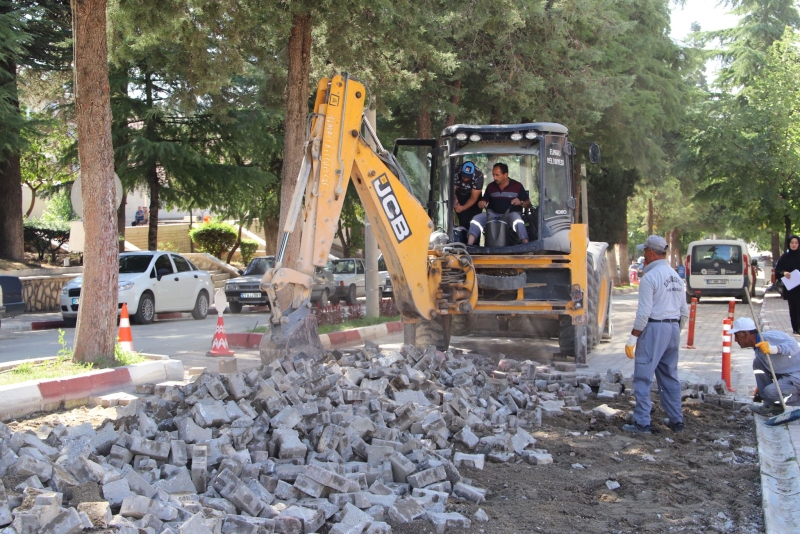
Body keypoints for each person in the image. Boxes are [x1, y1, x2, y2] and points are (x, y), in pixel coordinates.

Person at [623, 235, 690, 434]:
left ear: (651, 253)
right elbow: (684, 311)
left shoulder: (650, 278)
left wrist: (633, 337)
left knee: (643, 378)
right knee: (669, 376)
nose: (643, 255)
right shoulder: (676, 277)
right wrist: (676, 330)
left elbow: (644, 313)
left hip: (654, 329)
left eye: (644, 251)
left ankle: (642, 423)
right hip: (673, 328)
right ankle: (676, 421)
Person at [731, 316, 800, 415]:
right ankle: (769, 404)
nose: (736, 340)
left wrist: (774, 349)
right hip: (788, 375)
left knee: (771, 392)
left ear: (746, 334)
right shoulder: (758, 350)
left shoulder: (769, 337)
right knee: (757, 363)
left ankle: (782, 402)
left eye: (737, 336)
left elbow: (795, 346)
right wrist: (761, 387)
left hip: (797, 374)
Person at [466, 162, 530, 246]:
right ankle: (469, 246)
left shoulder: (517, 186)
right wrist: (481, 203)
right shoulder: (490, 187)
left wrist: (520, 202)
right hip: (492, 215)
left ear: (505, 175)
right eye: (493, 175)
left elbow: (528, 203)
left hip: (510, 215)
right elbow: (484, 201)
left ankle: (526, 245)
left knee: (518, 219)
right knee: (476, 219)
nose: (494, 177)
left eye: (497, 175)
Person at [775, 235, 800, 334]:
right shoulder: (785, 257)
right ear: (789, 244)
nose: (794, 245)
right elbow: (777, 271)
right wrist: (784, 273)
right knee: (793, 307)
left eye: (796, 243)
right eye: (792, 243)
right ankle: (795, 328)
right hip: (791, 287)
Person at [453, 161, 484, 233]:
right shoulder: (455, 172)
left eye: (468, 177)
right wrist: (455, 199)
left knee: (475, 221)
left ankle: (475, 243)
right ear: (460, 169)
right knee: (463, 220)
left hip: (474, 196)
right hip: (459, 194)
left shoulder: (478, 175)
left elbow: (474, 197)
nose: (465, 179)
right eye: (463, 176)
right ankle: (463, 241)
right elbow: (452, 190)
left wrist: (463, 207)